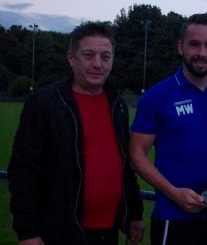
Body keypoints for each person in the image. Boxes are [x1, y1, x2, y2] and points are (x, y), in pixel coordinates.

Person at [8, 22, 144, 245]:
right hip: (60, 232)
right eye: (89, 55)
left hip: (108, 232)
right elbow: (24, 170)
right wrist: (28, 232)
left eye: (106, 56)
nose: (98, 64)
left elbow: (124, 166)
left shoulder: (117, 103)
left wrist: (135, 214)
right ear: (71, 57)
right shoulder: (45, 103)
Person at [129, 13, 207, 245]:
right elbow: (136, 154)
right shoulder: (157, 96)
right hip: (175, 217)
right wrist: (173, 193)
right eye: (194, 44)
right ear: (181, 47)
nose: (202, 53)